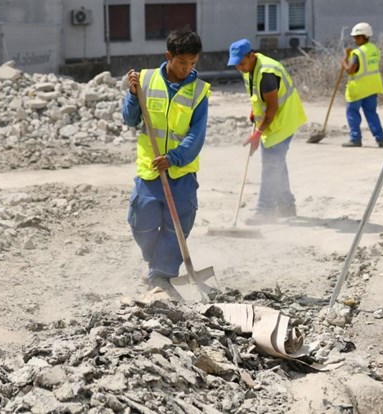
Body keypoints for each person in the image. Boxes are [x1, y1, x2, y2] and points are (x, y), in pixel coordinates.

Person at [123, 29, 210, 292]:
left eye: (193, 63)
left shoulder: (199, 91)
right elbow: (129, 119)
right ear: (169, 56)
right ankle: (153, 261)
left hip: (181, 173)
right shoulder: (146, 80)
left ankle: (162, 274)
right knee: (141, 222)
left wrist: (174, 158)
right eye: (182, 62)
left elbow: (197, 134)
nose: (187, 69)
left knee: (178, 227)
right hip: (150, 171)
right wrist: (132, 95)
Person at [227, 38, 307, 224]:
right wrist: (254, 112)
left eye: (242, 63)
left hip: (283, 121)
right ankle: (287, 206)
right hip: (273, 120)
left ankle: (265, 210)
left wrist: (257, 133)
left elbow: (272, 109)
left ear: (251, 55)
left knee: (271, 163)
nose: (239, 67)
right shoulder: (250, 68)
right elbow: (259, 97)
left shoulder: (267, 74)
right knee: (276, 163)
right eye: (236, 64)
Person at [341, 22, 383, 148]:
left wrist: (344, 60)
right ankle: (380, 139)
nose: (354, 39)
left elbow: (351, 70)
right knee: (371, 113)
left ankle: (355, 139)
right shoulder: (374, 49)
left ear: (363, 36)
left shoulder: (358, 53)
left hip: (358, 88)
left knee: (352, 112)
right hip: (372, 87)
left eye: (356, 37)